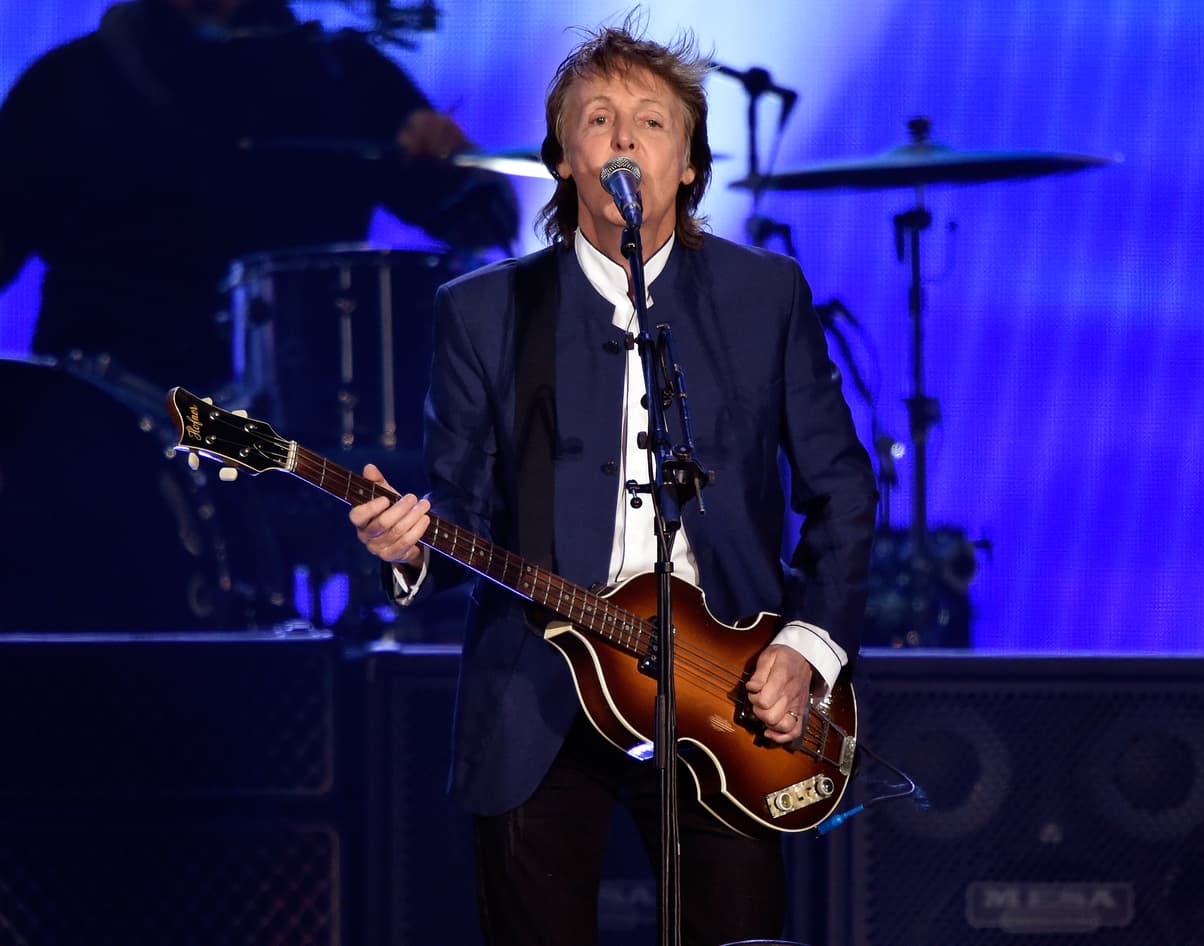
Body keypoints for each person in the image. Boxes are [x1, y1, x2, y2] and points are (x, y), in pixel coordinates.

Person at [349, 15, 878, 946]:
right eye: (597, 119)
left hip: (729, 690)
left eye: (651, 121)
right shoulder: (483, 312)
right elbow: (461, 505)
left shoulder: (765, 296)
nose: (624, 137)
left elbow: (841, 491)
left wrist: (806, 649)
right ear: (563, 158)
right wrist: (407, 548)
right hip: (539, 694)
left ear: (688, 165)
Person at [0, 0, 518, 392]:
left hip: (298, 440)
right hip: (102, 425)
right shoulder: (68, 83)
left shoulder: (342, 73)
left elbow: (482, 219)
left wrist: (462, 162)